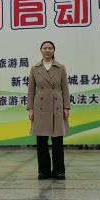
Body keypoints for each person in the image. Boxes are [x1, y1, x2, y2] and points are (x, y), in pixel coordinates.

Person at [27, 41, 70, 180]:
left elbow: (65, 89)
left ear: (53, 50)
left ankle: (59, 171)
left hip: (57, 107)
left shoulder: (60, 67)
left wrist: (66, 107)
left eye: (50, 48)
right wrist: (30, 109)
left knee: (57, 141)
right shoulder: (35, 68)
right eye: (45, 48)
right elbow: (31, 90)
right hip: (40, 108)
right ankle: (44, 171)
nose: (47, 50)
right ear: (41, 50)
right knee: (41, 141)